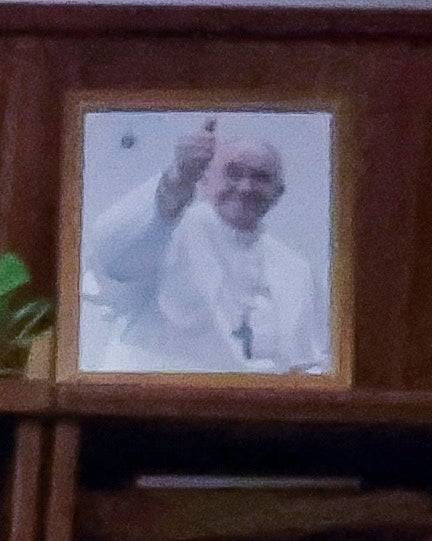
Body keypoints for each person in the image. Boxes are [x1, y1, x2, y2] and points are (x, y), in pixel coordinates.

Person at [84, 118, 328, 374]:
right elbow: (109, 261)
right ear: (204, 180)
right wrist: (176, 180)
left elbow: (307, 364)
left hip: (254, 409)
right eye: (233, 173)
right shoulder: (166, 229)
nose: (246, 187)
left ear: (278, 193)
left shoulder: (296, 271)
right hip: (154, 400)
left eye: (261, 178)